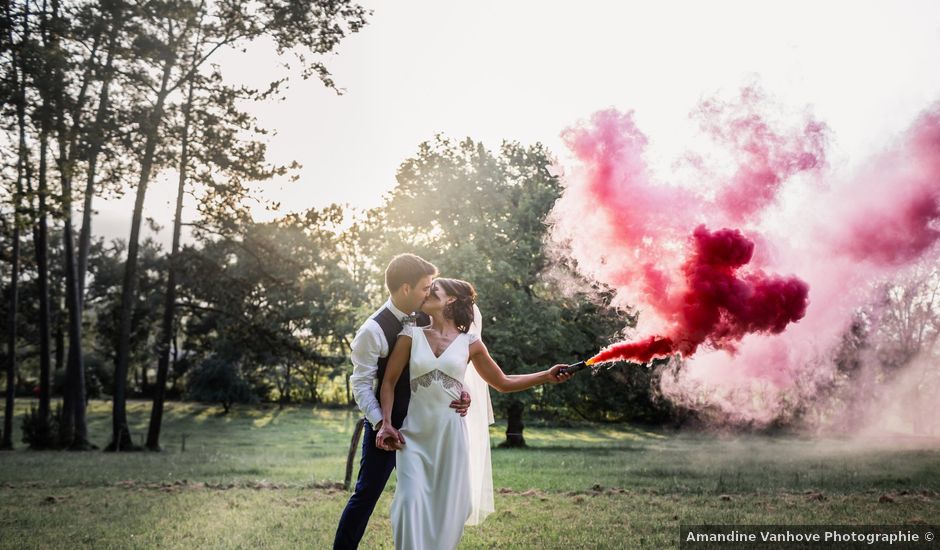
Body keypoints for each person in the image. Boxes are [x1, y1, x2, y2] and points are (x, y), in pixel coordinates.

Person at [375, 278, 573, 550]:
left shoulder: (471, 343)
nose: (427, 295)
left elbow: (502, 382)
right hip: (414, 437)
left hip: (451, 438)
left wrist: (546, 376)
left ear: (452, 300)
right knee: (408, 504)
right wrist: (386, 423)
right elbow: (388, 382)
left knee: (453, 509)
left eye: (434, 291)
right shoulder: (410, 334)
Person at [333, 255, 472, 550]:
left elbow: (451, 359)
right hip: (389, 427)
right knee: (366, 495)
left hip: (429, 426)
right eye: (425, 288)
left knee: (431, 498)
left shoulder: (429, 317)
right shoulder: (371, 331)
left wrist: (464, 389)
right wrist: (383, 424)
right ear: (406, 288)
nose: (430, 293)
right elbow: (361, 386)